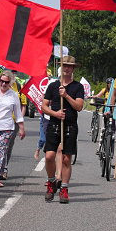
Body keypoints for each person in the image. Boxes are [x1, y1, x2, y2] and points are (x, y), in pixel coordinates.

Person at [42, 55, 84, 204]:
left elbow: (79, 107)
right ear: (61, 67)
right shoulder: (53, 85)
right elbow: (44, 106)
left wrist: (66, 95)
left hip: (70, 125)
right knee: (49, 156)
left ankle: (64, 188)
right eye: (64, 66)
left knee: (66, 159)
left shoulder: (77, 87)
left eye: (69, 66)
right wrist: (55, 113)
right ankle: (51, 181)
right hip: (54, 124)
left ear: (73, 69)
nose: (66, 68)